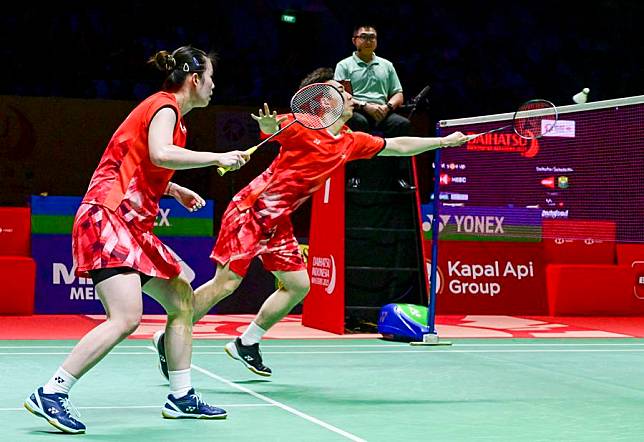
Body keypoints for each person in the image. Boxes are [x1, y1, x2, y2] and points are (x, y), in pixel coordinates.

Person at [152, 67, 467, 379]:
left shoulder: (350, 142)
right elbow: (271, 128)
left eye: (344, 91)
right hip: (251, 211)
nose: (346, 94)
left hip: (278, 223)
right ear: (323, 103)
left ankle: (246, 343)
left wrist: (442, 143)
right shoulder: (303, 126)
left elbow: (397, 146)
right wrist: (265, 125)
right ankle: (170, 337)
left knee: (299, 285)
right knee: (227, 284)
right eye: (338, 91)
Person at [24, 45, 250, 434]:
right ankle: (52, 392)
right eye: (211, 78)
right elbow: (161, 153)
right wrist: (217, 156)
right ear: (194, 80)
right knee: (126, 317)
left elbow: (142, 160)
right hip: (107, 217)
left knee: (180, 299)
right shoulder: (164, 107)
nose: (214, 86)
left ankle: (181, 396)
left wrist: (173, 189)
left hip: (129, 225)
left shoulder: (172, 117)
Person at [334, 24, 410, 138]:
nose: (368, 41)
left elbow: (398, 94)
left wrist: (387, 107)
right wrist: (365, 106)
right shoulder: (344, 65)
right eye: (364, 37)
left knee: (401, 123)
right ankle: (363, 155)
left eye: (372, 37)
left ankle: (391, 156)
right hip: (356, 110)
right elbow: (339, 95)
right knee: (359, 122)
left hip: (382, 111)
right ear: (354, 40)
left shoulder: (387, 65)